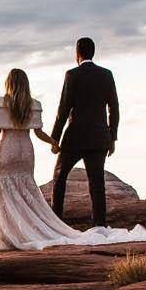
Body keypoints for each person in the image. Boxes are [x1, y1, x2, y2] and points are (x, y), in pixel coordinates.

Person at [0, 67, 146, 251]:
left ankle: (9, 233)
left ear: (9, 83)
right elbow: (38, 132)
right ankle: (35, 228)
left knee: (5, 192)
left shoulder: (1, 103)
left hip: (8, 151)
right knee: (26, 190)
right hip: (26, 153)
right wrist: (54, 142)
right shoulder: (32, 104)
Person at [49, 37, 120, 229]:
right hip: (99, 138)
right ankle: (99, 226)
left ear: (77, 53)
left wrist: (54, 139)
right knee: (97, 183)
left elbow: (63, 109)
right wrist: (112, 137)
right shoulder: (106, 74)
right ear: (93, 52)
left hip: (75, 138)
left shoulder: (72, 75)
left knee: (59, 177)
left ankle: (56, 222)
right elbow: (114, 107)